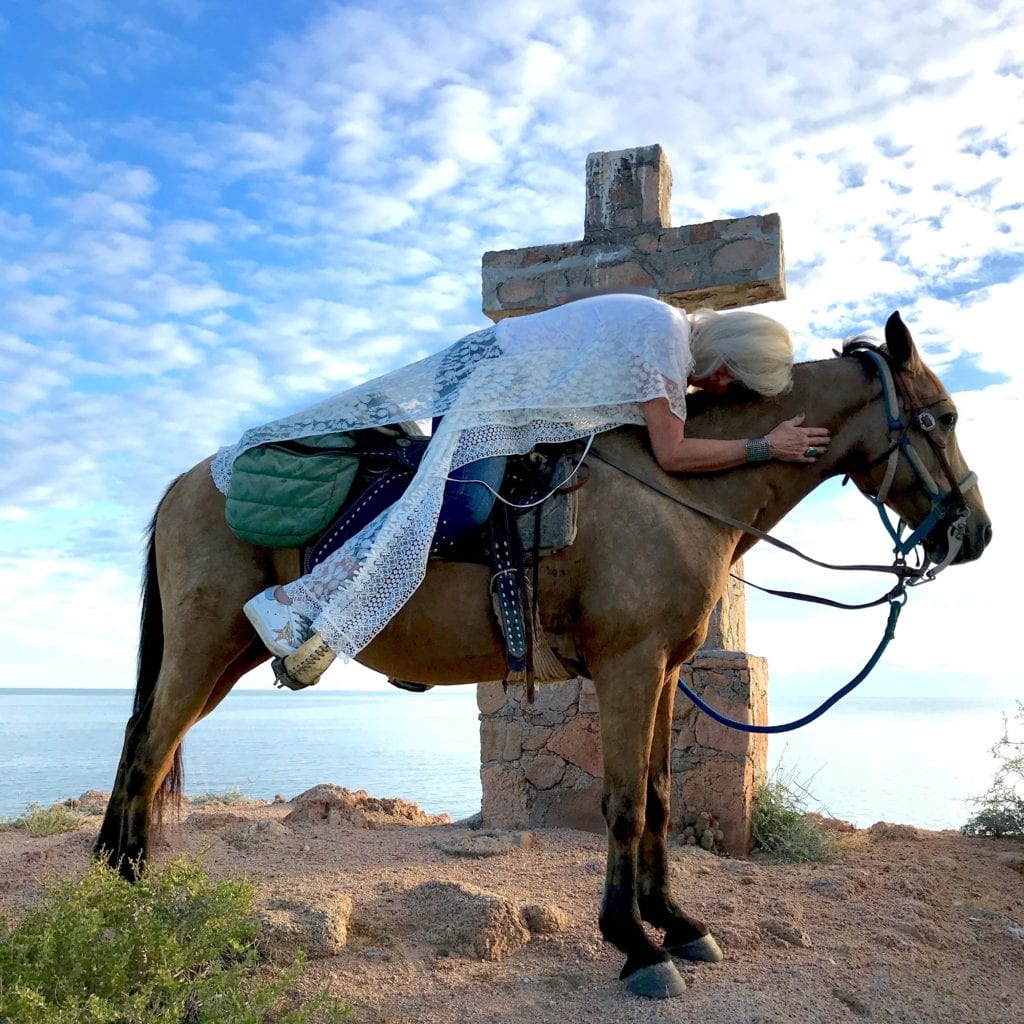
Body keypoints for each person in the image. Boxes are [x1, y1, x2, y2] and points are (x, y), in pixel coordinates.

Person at [211, 293, 830, 661]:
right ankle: (303, 597)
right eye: (731, 380)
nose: (720, 390)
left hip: (515, 394)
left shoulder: (666, 330)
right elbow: (672, 454)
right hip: (490, 388)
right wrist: (763, 446)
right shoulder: (665, 347)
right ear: (724, 362)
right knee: (465, 506)